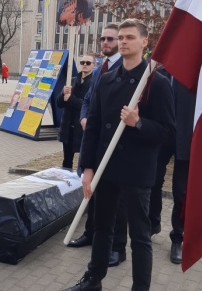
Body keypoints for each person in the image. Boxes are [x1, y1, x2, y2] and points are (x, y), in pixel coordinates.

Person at [64, 19, 175, 291]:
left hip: (136, 172)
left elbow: (168, 133)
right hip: (106, 168)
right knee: (102, 228)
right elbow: (94, 128)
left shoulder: (155, 83)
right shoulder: (105, 80)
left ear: (144, 42)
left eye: (130, 37)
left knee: (139, 236)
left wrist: (139, 122)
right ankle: (93, 279)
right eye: (121, 37)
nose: (123, 41)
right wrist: (88, 168)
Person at [67, 23, 127, 268]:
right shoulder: (99, 70)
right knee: (92, 190)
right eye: (103, 39)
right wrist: (84, 117)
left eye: (111, 39)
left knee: (118, 199)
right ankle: (91, 233)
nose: (106, 43)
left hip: (118, 146)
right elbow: (89, 102)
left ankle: (118, 247)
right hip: (95, 141)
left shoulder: (128, 70)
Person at [148, 71, 194, 264]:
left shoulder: (195, 75)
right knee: (153, 179)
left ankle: (177, 237)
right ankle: (153, 223)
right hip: (163, 136)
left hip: (186, 137)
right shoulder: (159, 74)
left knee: (181, 191)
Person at [57, 55, 95, 169]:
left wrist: (71, 99)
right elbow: (59, 103)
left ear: (94, 65)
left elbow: (89, 105)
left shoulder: (94, 83)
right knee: (67, 160)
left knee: (84, 160)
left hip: (82, 127)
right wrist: (63, 93)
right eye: (82, 62)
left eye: (88, 63)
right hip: (68, 126)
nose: (85, 65)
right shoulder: (72, 80)